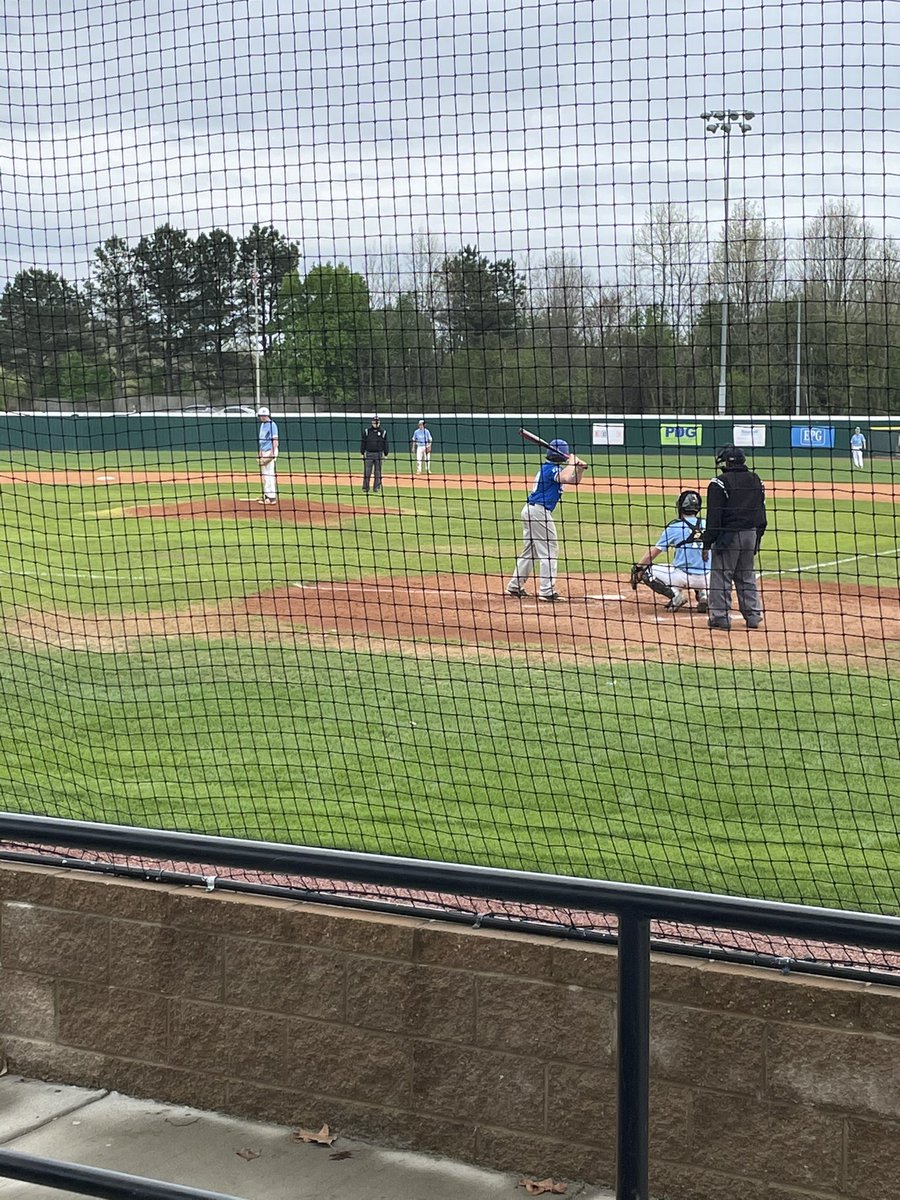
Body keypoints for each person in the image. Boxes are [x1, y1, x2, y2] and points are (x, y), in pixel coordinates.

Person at [506, 439, 586, 603]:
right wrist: (572, 462)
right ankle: (547, 591)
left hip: (532, 511)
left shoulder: (550, 468)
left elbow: (574, 480)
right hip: (538, 512)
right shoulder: (551, 469)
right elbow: (564, 476)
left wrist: (579, 469)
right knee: (549, 551)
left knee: (531, 552)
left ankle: (515, 586)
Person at [701, 444, 767, 631]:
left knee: (721, 576)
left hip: (729, 537)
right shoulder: (756, 480)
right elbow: (761, 514)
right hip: (751, 534)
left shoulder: (719, 483)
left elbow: (714, 517)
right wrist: (757, 538)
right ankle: (753, 616)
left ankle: (720, 617)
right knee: (746, 576)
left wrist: (707, 542)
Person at [629, 490, 709, 613]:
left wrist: (638, 567)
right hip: (708, 578)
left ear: (680, 508)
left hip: (683, 577)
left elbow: (653, 553)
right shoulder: (708, 524)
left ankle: (676, 595)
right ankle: (705, 594)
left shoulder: (675, 527)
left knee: (647, 571)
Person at [360, 415, 389, 493]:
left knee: (378, 472)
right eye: (374, 421)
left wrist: (386, 454)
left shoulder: (383, 432)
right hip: (369, 453)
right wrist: (362, 452)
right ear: (372, 422)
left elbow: (385, 444)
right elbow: (363, 442)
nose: (375, 423)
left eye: (377, 422)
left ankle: (376, 487)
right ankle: (365, 488)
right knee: (367, 471)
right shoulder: (367, 431)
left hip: (379, 454)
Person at [256, 407, 279, 504]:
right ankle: (266, 495)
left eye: (264, 415)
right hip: (264, 451)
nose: (263, 417)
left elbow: (275, 440)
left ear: (268, 415)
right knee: (265, 474)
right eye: (261, 416)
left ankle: (272, 497)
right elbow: (262, 440)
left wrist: (272, 453)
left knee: (269, 473)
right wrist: (260, 451)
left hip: (270, 451)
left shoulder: (272, 425)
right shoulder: (262, 425)